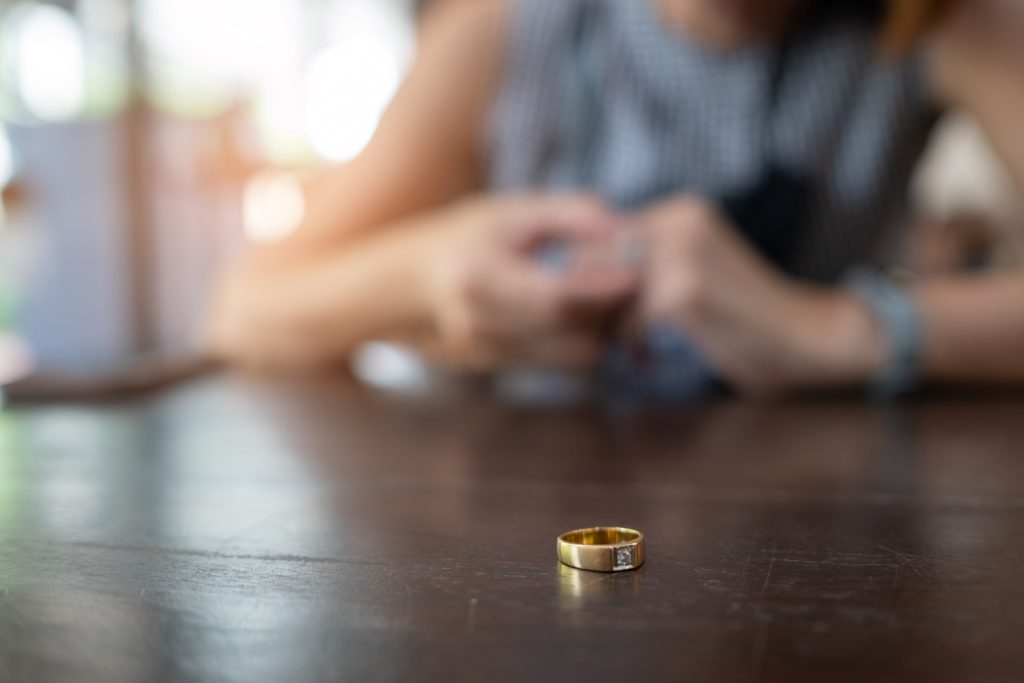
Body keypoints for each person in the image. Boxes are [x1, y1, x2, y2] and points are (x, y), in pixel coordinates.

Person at [207, 0, 1024, 397]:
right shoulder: (508, 29)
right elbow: (243, 309)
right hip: (517, 521)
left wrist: (838, 330)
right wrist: (428, 269)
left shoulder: (934, 23)